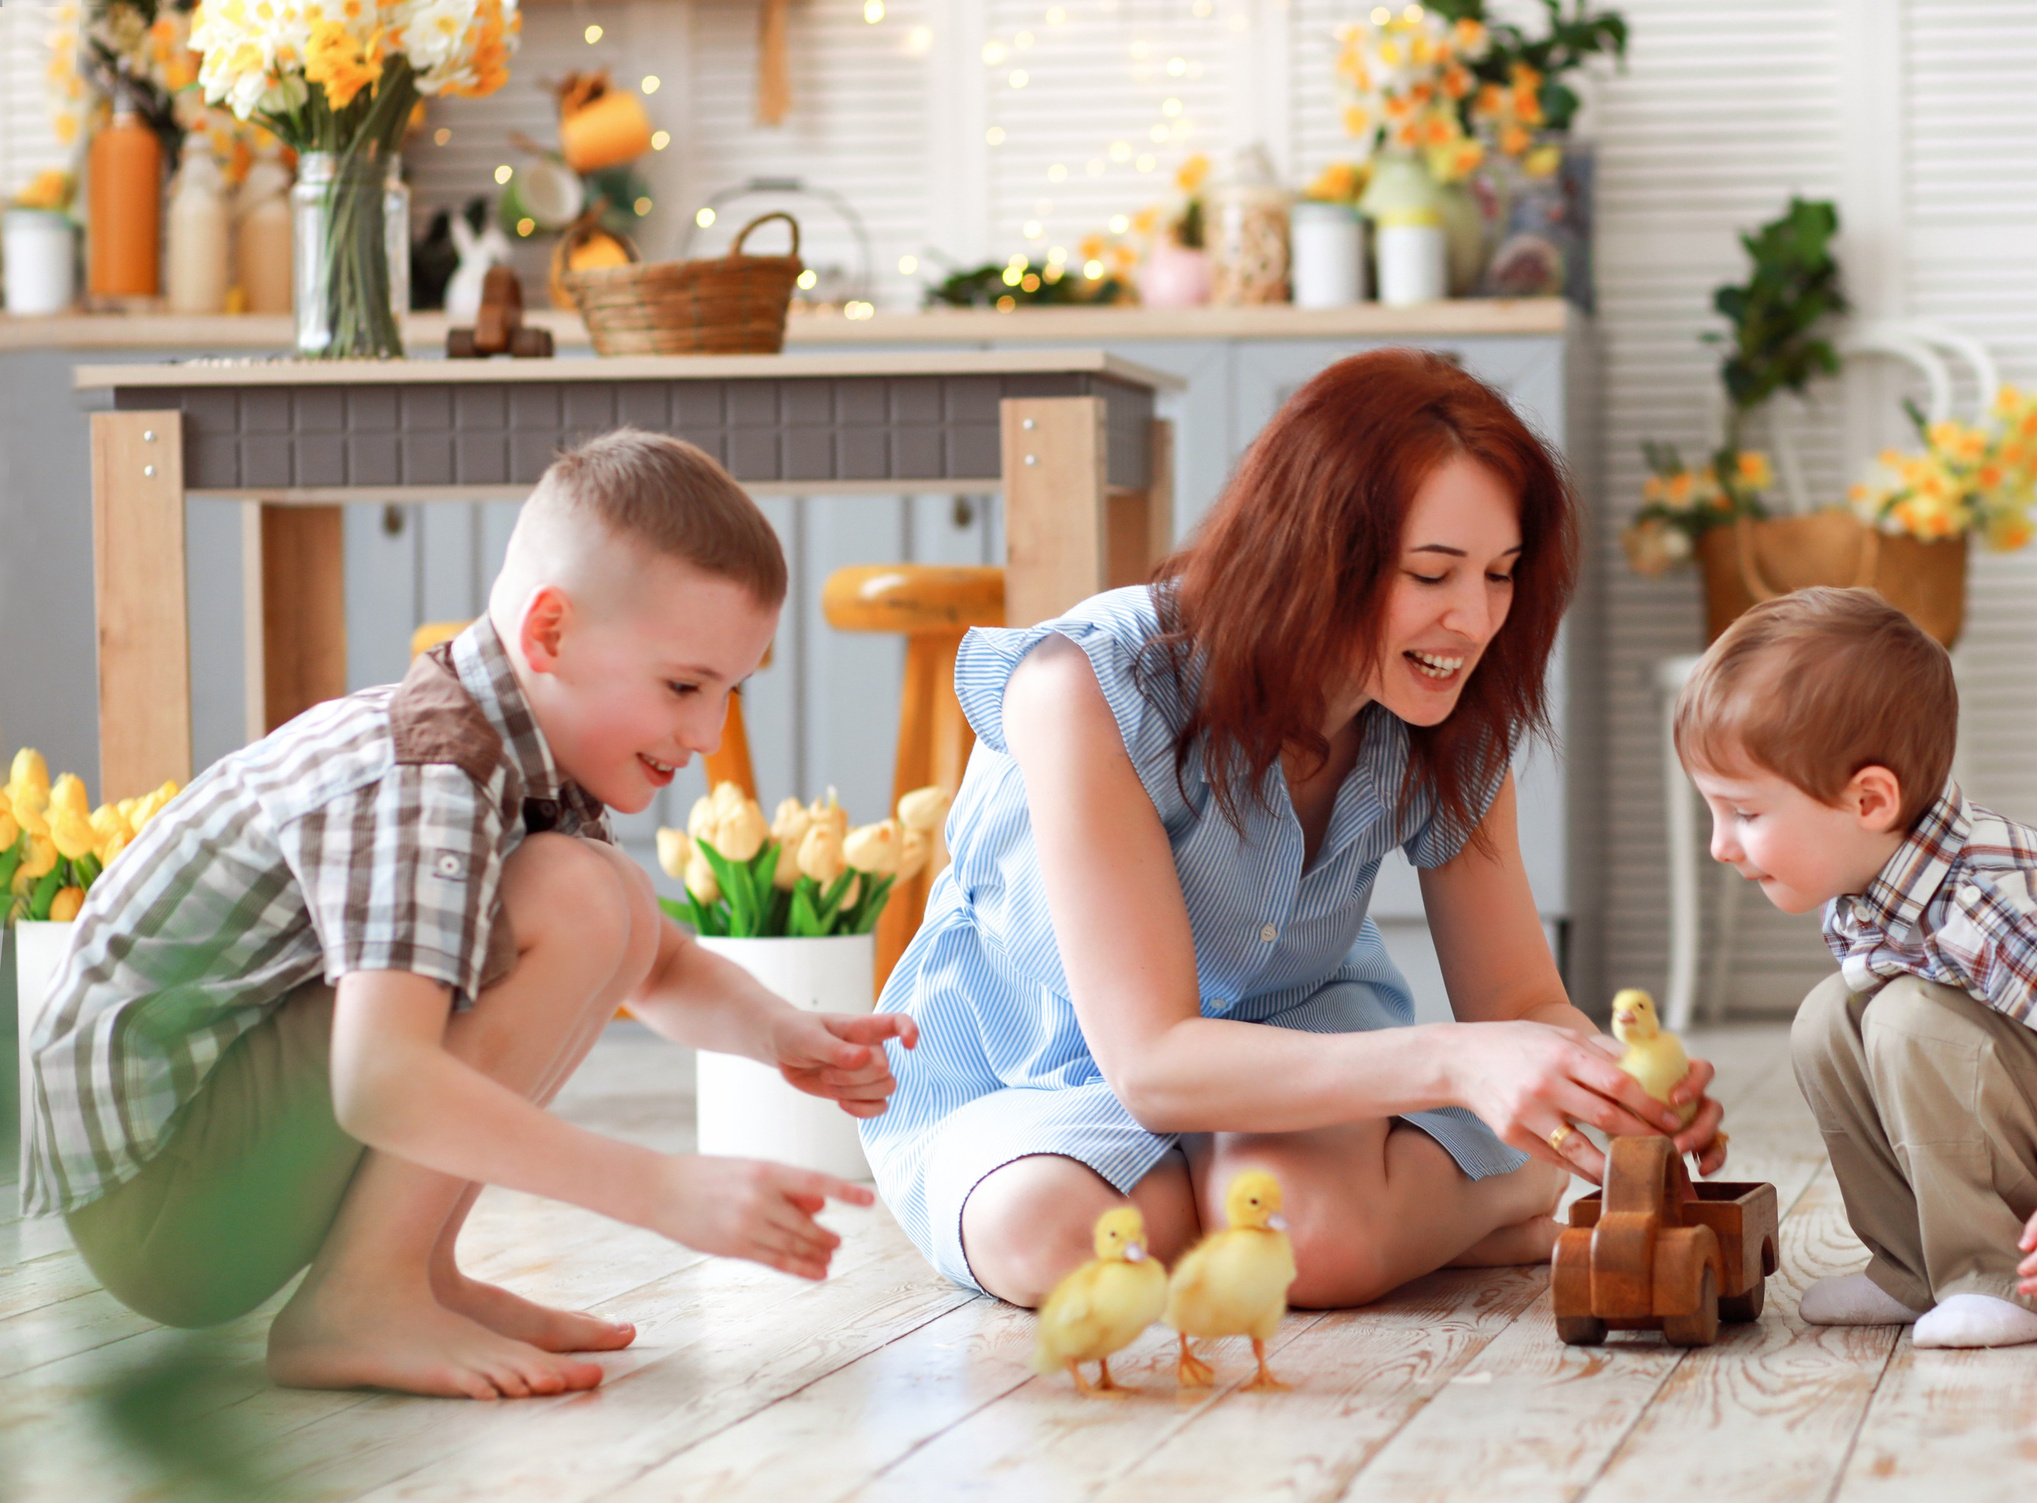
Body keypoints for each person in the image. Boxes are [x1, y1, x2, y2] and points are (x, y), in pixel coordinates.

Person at [22, 428, 914, 1399]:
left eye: (729, 694)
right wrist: (657, 1189)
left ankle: (411, 1276)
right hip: (165, 1198)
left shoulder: (526, 758)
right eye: (683, 687)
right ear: (551, 634)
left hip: (209, 1175)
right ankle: (363, 1296)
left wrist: (785, 1034)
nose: (705, 732)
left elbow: (655, 964)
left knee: (602, 894)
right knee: (577, 895)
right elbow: (379, 1082)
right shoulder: (430, 774)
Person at [865, 348, 1724, 1307]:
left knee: (1302, 1235)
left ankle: (1401, 1205)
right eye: (1432, 573)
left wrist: (1620, 1090)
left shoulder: (1449, 718)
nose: (1474, 620)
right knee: (1051, 1237)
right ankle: (1480, 1204)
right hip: (1051, 1064)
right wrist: (1458, 1059)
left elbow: (1519, 996)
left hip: (1308, 1048)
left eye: (1501, 574)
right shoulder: (1089, 685)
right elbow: (1151, 1063)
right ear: (1314, 553)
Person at [1673, 587, 2037, 1348]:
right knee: (1830, 1017)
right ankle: (1914, 1266)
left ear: (1870, 799)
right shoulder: (1871, 878)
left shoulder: (1994, 904)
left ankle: (2008, 1284)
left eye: (1746, 814)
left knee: (1909, 1020)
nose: (1721, 844)